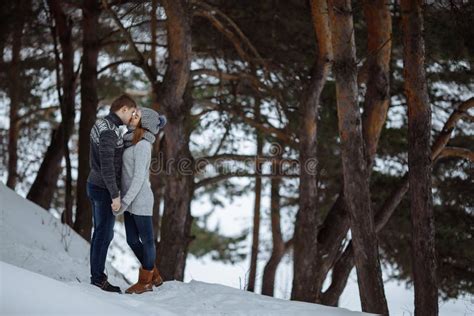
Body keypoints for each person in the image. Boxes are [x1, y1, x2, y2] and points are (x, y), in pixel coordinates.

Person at [86, 94, 137, 293]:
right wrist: (115, 195)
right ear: (123, 109)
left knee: (100, 233)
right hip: (103, 189)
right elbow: (107, 166)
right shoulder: (110, 131)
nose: (132, 117)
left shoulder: (102, 123)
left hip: (95, 185)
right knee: (103, 234)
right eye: (131, 112)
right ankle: (98, 280)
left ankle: (96, 277)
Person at [113, 106, 167, 294]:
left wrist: (124, 202)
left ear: (145, 124)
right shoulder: (130, 142)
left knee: (147, 240)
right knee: (131, 240)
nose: (132, 116)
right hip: (130, 199)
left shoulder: (143, 145)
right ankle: (154, 274)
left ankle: (145, 283)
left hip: (140, 199)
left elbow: (138, 178)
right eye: (134, 113)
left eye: (137, 115)